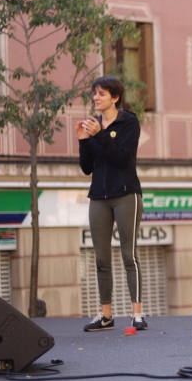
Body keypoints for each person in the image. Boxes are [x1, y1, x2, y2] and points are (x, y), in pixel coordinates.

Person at [77, 76, 147, 332]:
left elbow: (122, 159)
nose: (96, 98)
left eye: (101, 94)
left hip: (126, 194)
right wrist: (83, 140)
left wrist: (100, 135)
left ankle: (137, 313)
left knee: (129, 255)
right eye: (94, 93)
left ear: (115, 98)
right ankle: (106, 315)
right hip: (98, 196)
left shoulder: (129, 122)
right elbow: (87, 168)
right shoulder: (93, 125)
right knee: (101, 258)